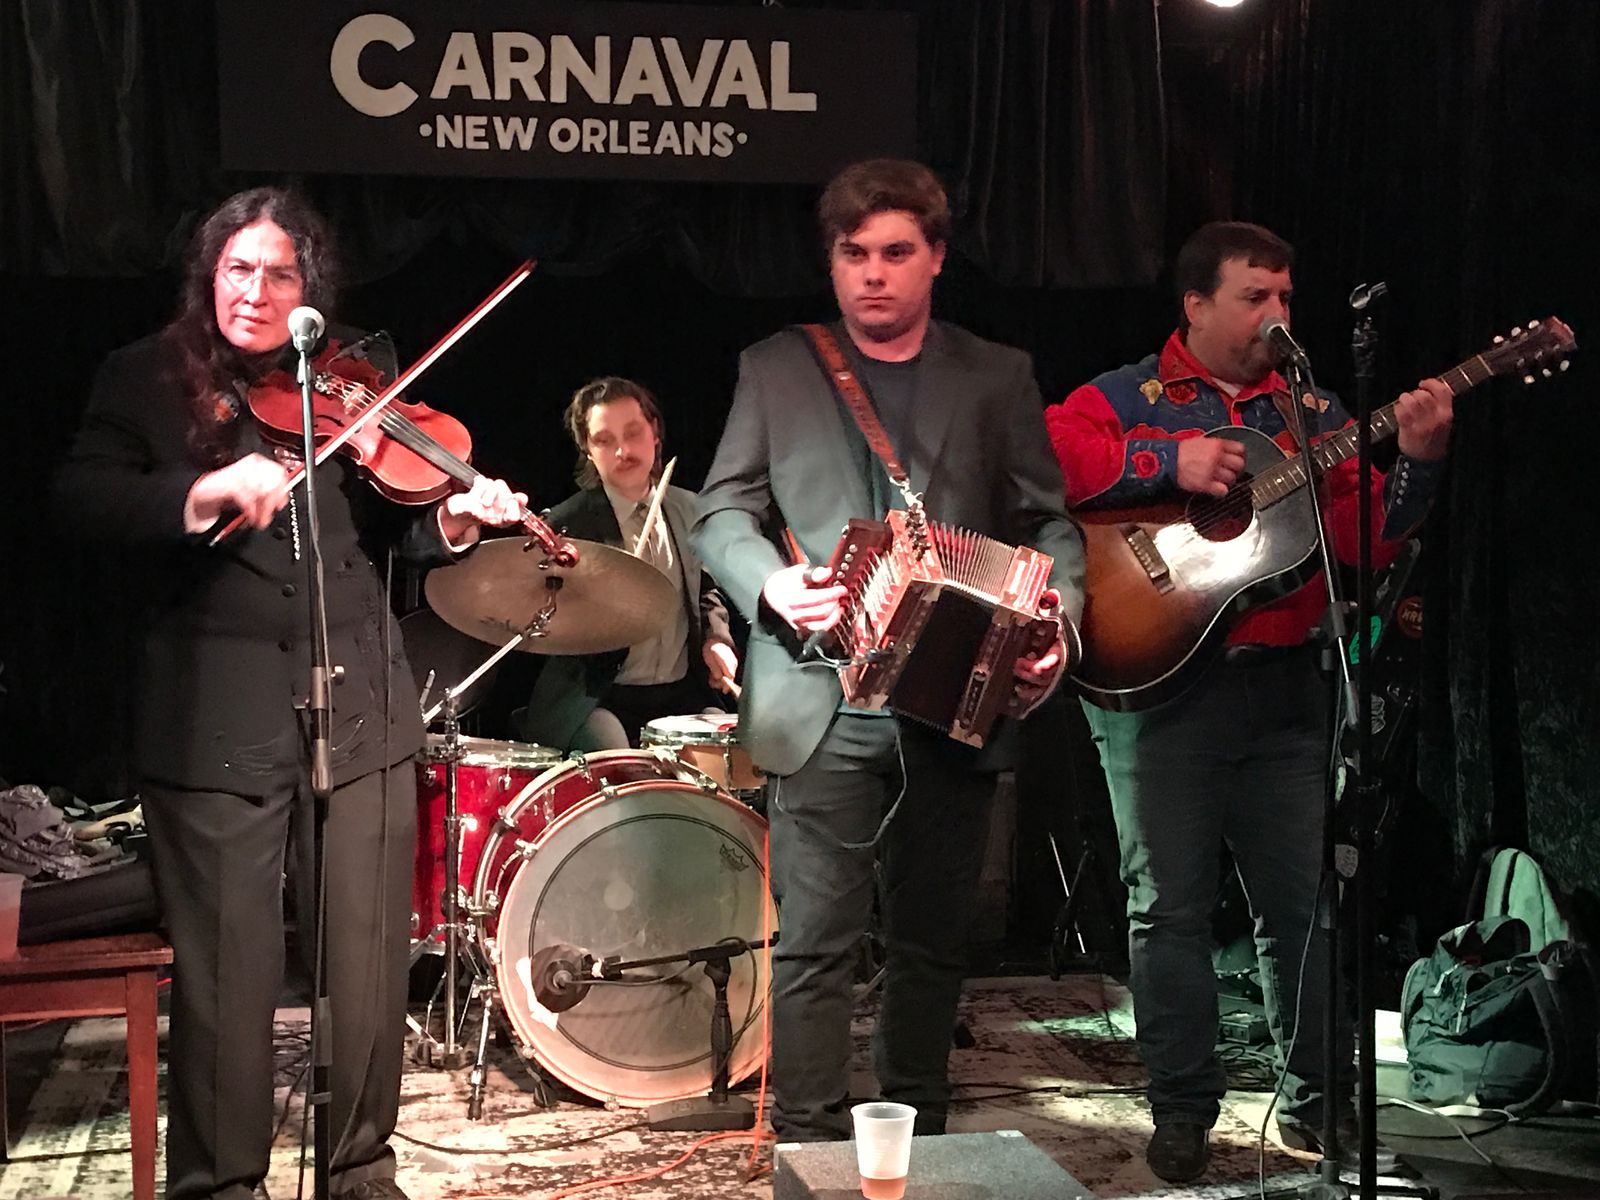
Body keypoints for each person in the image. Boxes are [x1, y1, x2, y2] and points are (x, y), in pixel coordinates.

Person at [54, 187, 526, 1200]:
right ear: (209, 274)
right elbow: (82, 499)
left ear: (309, 287)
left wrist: (456, 521)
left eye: (279, 274)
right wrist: (201, 492)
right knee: (227, 975)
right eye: (238, 269)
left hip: (361, 705)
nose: (256, 292)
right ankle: (223, 1183)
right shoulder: (144, 377)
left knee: (365, 961)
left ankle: (360, 1169)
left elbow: (402, 527)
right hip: (213, 713)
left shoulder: (348, 379)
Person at [1044, 221, 1455, 1183]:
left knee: (1303, 908)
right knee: (1169, 912)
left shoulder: (1310, 412)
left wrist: (1421, 461)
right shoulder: (1127, 397)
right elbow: (1045, 453)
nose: (1278, 315)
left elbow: (1366, 541)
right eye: (1255, 297)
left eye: (1286, 297)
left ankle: (1316, 1106)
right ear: (1196, 306)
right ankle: (1185, 1111)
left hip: (1286, 695)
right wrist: (1170, 464)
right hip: (1162, 693)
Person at [693, 158, 1085, 1143]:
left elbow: (1049, 522)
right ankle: (808, 1144)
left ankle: (918, 1142)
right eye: (853, 253)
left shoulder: (995, 374)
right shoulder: (775, 367)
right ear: (831, 260)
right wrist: (770, 582)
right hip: (818, 694)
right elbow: (721, 512)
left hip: (951, 695)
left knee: (932, 946)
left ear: (936, 257)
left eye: (895, 252)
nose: (872, 272)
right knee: (813, 945)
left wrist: (1057, 620)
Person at [512, 376, 737, 750]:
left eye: (633, 433)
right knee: (619, 757)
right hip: (595, 698)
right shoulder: (566, 526)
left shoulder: (691, 509)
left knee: (727, 752)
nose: (623, 451)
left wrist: (717, 640)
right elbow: (541, 618)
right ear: (587, 450)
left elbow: (706, 591)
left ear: (655, 434)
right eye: (604, 440)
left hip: (681, 693)